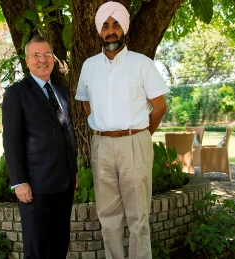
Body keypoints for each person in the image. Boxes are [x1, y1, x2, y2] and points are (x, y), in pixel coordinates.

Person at [75, 2, 169, 259]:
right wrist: (102, 125)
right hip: (101, 146)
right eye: (105, 25)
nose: (110, 31)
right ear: (99, 31)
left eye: (116, 24)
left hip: (135, 143)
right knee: (107, 216)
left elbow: (160, 107)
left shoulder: (142, 64)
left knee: (139, 216)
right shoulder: (89, 66)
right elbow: (86, 103)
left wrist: (141, 136)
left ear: (124, 28)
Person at [2, 36, 78, 259]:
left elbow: (67, 133)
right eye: (36, 55)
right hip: (36, 186)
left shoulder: (61, 91)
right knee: (38, 247)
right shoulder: (16, 94)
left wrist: (72, 171)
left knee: (59, 244)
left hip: (63, 183)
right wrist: (19, 181)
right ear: (27, 61)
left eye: (47, 54)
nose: (42, 60)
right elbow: (12, 140)